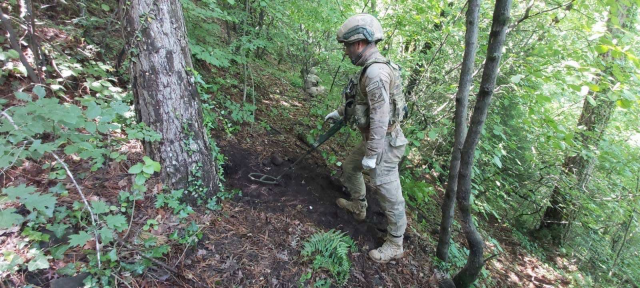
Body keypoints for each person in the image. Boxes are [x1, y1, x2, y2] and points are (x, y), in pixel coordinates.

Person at [324, 13, 409, 263]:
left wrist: (372, 155)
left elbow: (381, 119)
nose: (346, 52)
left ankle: (396, 243)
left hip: (383, 143)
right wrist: (340, 112)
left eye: (347, 46)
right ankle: (358, 206)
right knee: (350, 168)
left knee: (388, 193)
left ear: (359, 43)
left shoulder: (375, 74)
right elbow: (362, 103)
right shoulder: (370, 70)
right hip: (375, 139)